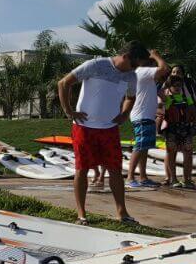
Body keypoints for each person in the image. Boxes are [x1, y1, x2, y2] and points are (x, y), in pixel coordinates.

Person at [57, 41, 146, 225]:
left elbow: (131, 97)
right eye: (135, 64)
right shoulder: (96, 65)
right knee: (82, 170)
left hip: (109, 129)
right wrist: (69, 111)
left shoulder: (131, 76)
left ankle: (122, 212)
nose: (135, 69)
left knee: (115, 169)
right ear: (126, 56)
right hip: (84, 128)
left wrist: (124, 114)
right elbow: (64, 83)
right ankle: (81, 214)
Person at [127, 50, 171, 188]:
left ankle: (143, 177)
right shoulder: (142, 71)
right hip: (141, 116)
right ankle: (130, 177)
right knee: (140, 146)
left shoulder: (147, 77)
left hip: (147, 116)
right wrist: (156, 56)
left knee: (144, 147)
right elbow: (165, 69)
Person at [159, 75, 196, 188]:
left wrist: (195, 124)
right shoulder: (167, 98)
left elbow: (193, 111)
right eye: (174, 85)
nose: (177, 87)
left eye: (180, 85)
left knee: (188, 154)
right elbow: (158, 92)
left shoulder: (186, 98)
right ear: (170, 86)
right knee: (171, 153)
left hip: (186, 129)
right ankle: (173, 179)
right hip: (171, 130)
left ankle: (187, 179)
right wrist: (166, 85)